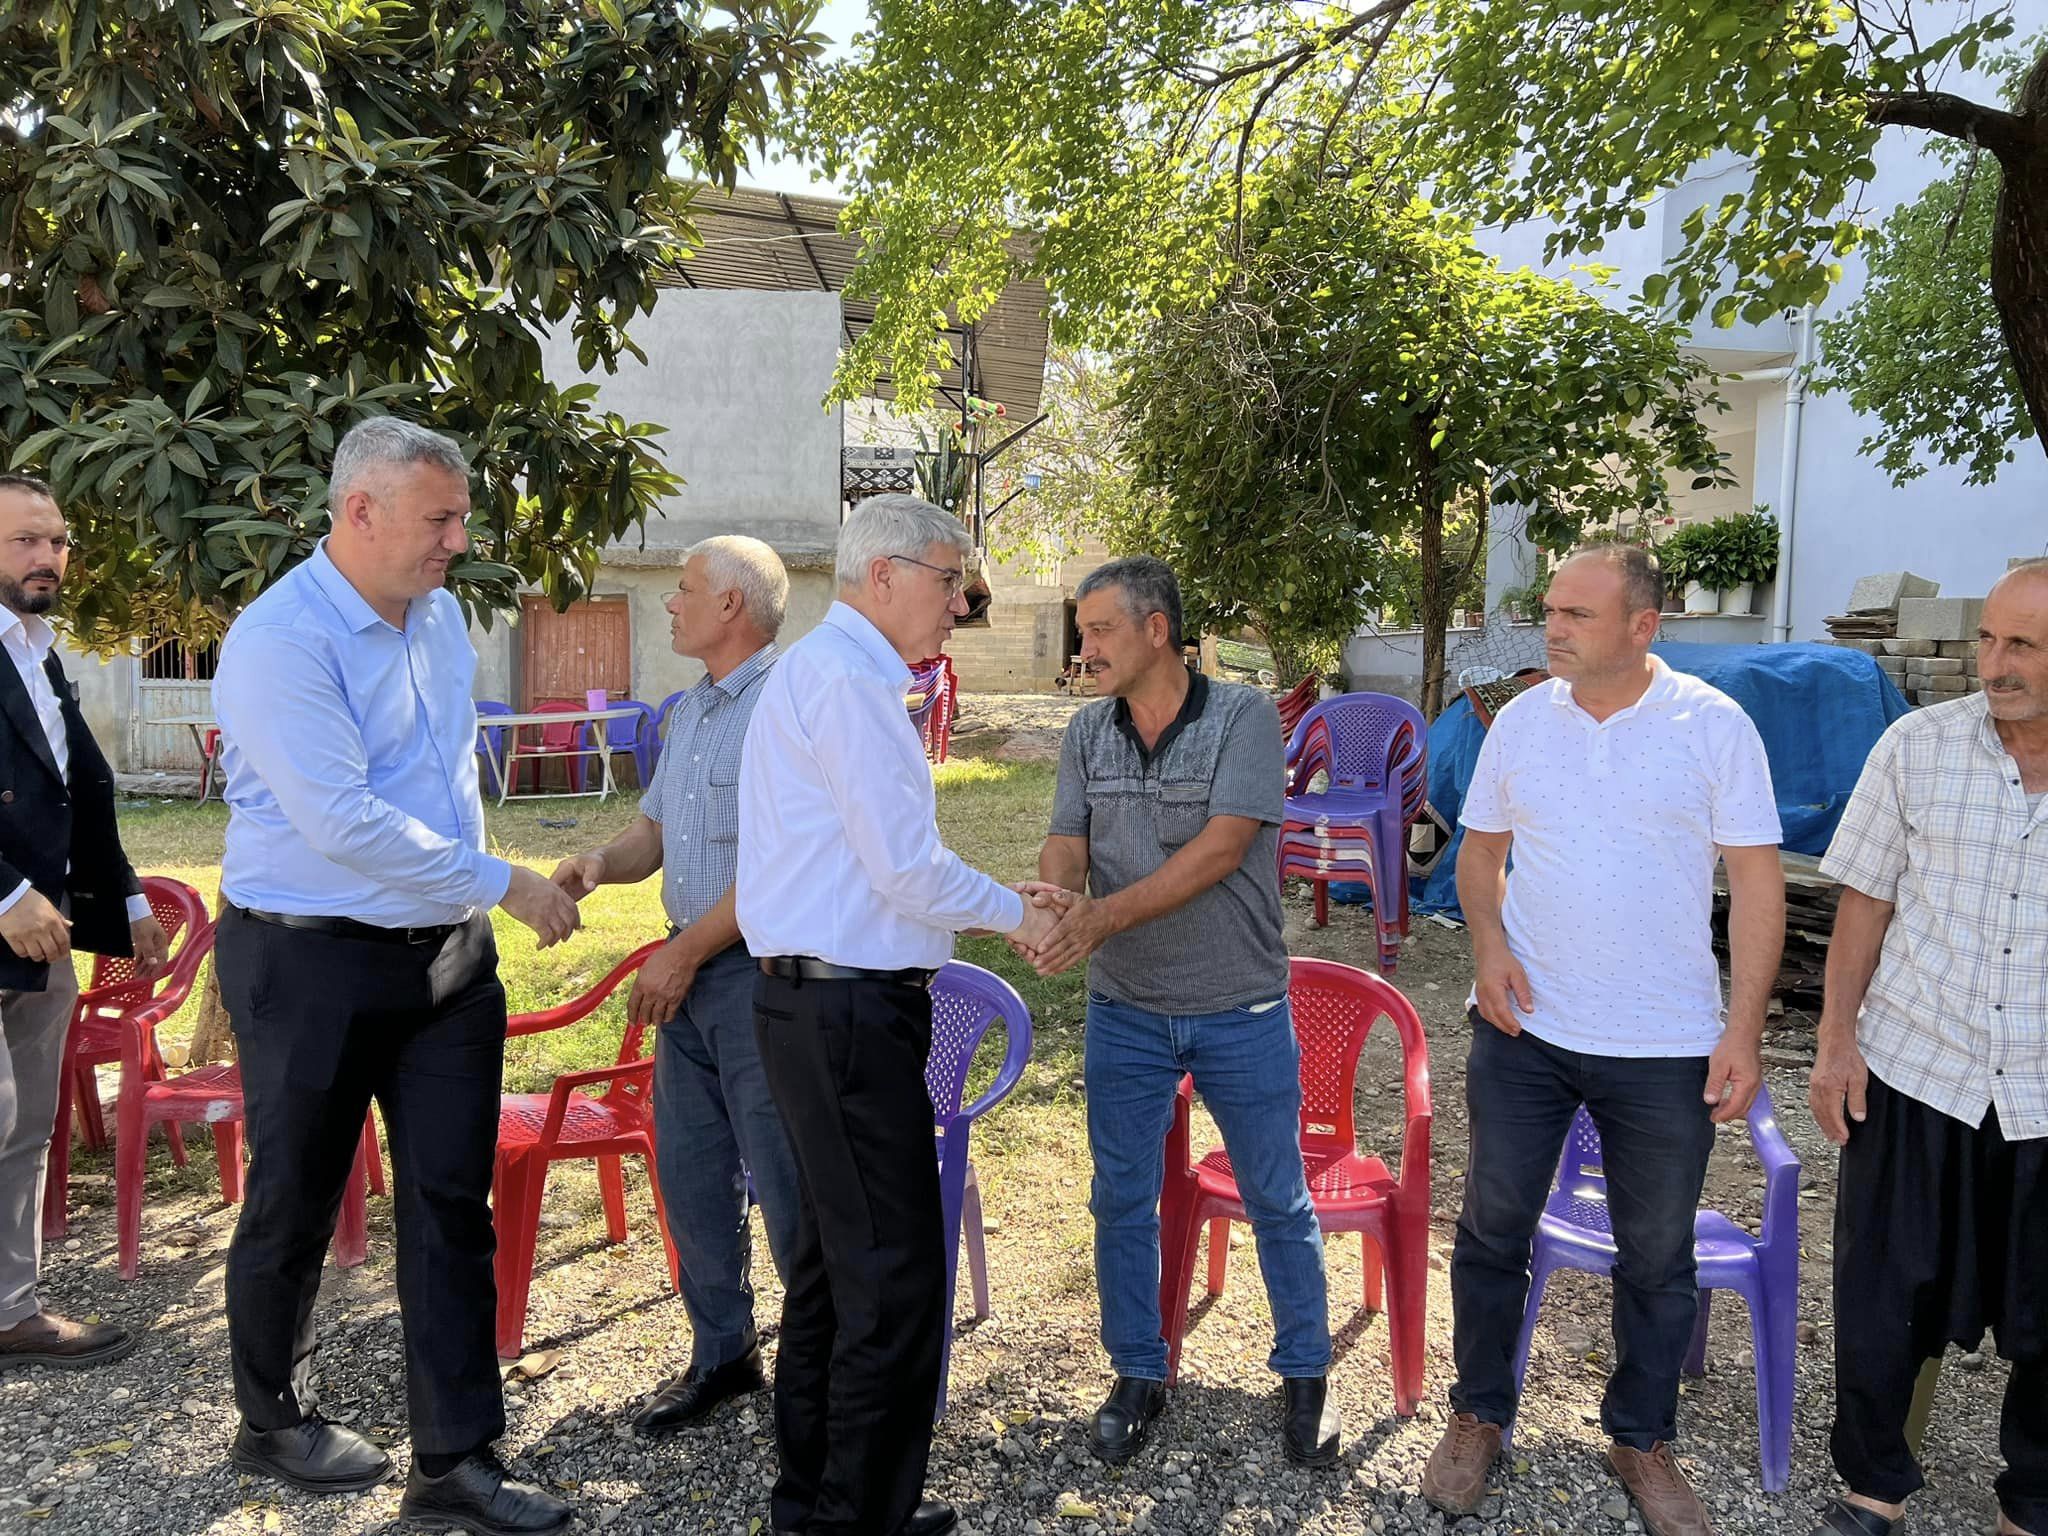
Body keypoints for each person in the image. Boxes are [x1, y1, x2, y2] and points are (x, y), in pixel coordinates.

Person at [213, 416, 583, 1536]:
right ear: (358, 511)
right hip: (309, 955)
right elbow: (340, 822)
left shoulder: (441, 625)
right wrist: (501, 880)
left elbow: (442, 782)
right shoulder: (282, 638)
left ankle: (455, 1463)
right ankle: (269, 1417)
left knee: (447, 1205)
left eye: (461, 517)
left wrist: (470, 897)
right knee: (296, 1195)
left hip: (448, 966)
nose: (457, 541)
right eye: (440, 519)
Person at [1421, 543, 1785, 1536]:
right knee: (1491, 1231)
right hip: (1523, 1029)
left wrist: (1741, 1029)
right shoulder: (1519, 724)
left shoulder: (1710, 729)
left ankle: (1640, 1436)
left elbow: (1756, 883)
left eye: (1577, 614)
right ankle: (1476, 1415)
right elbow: (1479, 855)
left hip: (1664, 1041)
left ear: (1642, 627)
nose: (1553, 628)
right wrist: (1486, 947)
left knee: (1657, 1256)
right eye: (1551, 610)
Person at [736, 493, 1056, 1536]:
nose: (960, 602)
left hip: (816, 1008)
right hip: (843, 1018)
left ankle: (819, 1503)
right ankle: (853, 1519)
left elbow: (876, 865)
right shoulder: (848, 683)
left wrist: (1002, 902)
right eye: (948, 577)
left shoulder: (834, 674)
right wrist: (1018, 916)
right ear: (881, 575)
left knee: (836, 1269)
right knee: (893, 1283)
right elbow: (906, 868)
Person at [1022, 555, 1339, 1467]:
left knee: (1278, 1197)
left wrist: (1100, 918)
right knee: (1120, 1198)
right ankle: (1136, 1373)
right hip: (1125, 1007)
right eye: (1083, 633)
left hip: (1238, 1006)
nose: (1085, 648)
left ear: (1155, 629)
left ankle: (1304, 1375)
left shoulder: (1242, 716)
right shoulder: (1088, 733)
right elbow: (1067, 839)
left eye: (1099, 630)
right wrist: (1052, 898)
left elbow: (1222, 848)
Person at [1805, 560, 2048, 1536]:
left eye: (2019, 646)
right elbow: (1863, 900)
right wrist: (1833, 1043)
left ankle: (2028, 1504)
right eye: (1987, 639)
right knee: (1879, 1293)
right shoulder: (1915, 747)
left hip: (2040, 1084)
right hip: (1916, 1066)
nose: (1991, 663)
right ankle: (1870, 1489)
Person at [551, 536, 803, 1434]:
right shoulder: (693, 710)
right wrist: (597, 862)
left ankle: (819, 1382)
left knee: (786, 1181)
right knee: (694, 1175)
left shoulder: (785, 707)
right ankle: (724, 1355)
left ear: (732, 605)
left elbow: (782, 864)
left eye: (685, 590)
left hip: (754, 980)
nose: (670, 603)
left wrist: (687, 953)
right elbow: (655, 829)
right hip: (689, 973)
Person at [0, 473, 166, 1371]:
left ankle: (9, 1308)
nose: (49, 556)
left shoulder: (39, 648)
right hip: (10, 915)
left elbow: (80, 789)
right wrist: (2, 895)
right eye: (26, 540)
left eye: (57, 540)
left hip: (46, 932)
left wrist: (128, 896)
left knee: (26, 1123)